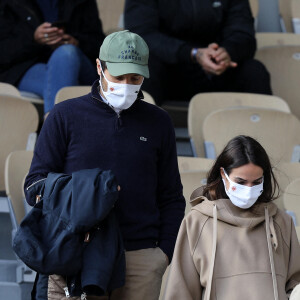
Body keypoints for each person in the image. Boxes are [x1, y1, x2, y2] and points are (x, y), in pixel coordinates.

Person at [24, 30, 185, 299]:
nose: (126, 84)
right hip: (76, 253)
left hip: (141, 256)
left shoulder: (159, 122)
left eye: (135, 78)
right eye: (118, 76)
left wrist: (162, 254)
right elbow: (34, 186)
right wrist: (89, 188)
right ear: (99, 67)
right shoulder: (64, 116)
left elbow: (171, 195)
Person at [163, 135, 300, 300]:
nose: (249, 189)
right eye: (241, 182)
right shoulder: (196, 222)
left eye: (256, 182)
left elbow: (294, 285)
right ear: (223, 174)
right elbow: (181, 291)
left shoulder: (282, 222)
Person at [124, 0, 272, 106]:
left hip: (219, 68)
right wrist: (192, 53)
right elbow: (140, 35)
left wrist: (227, 52)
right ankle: (139, 142)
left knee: (255, 71)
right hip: (171, 69)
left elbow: (244, 34)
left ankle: (261, 145)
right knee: (142, 71)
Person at [0, 0, 105, 116]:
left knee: (65, 53)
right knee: (63, 77)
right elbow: (4, 52)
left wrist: (77, 42)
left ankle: (53, 129)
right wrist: (33, 40)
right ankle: (59, 129)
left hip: (79, 65)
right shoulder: (8, 3)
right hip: (26, 68)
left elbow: (100, 45)